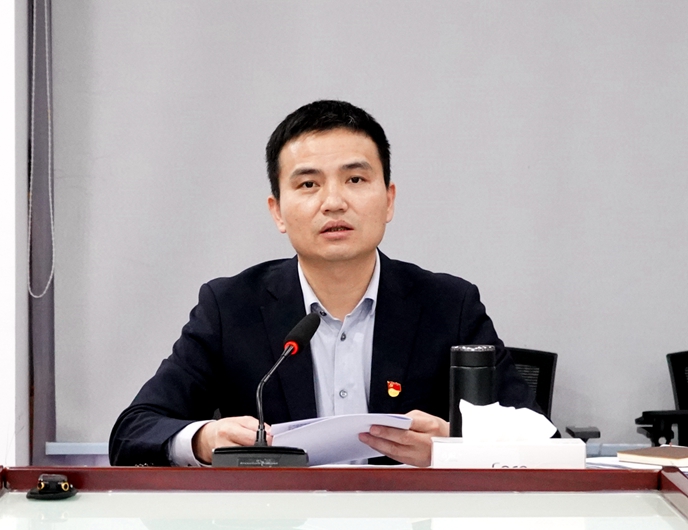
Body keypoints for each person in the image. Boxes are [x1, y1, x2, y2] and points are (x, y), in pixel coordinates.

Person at [109, 100, 540, 467]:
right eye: (309, 184)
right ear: (278, 211)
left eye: (355, 180)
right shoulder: (231, 307)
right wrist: (204, 439)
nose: (333, 202)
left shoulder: (449, 306)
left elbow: (544, 441)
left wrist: (454, 449)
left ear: (388, 200)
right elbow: (133, 431)